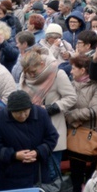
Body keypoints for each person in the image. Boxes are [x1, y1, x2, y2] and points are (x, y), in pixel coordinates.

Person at [19, 48, 77, 176]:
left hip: (52, 129)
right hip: (29, 131)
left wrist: (50, 109)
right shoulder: (24, 76)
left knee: (51, 175)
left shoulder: (57, 74)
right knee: (33, 175)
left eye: (33, 71)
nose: (31, 75)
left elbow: (71, 98)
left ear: (42, 64)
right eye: (28, 72)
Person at [0, 90, 59, 190]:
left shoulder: (41, 114)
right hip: (10, 174)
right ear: (10, 110)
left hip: (38, 172)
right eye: (18, 113)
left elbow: (52, 137)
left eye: (25, 111)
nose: (22, 115)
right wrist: (14, 155)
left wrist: (38, 152)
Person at [65, 54, 97, 192]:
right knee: (76, 172)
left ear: (83, 70)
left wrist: (71, 116)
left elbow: (95, 111)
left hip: (95, 136)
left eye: (73, 68)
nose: (70, 71)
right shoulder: (70, 85)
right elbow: (64, 105)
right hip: (76, 137)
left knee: (95, 173)